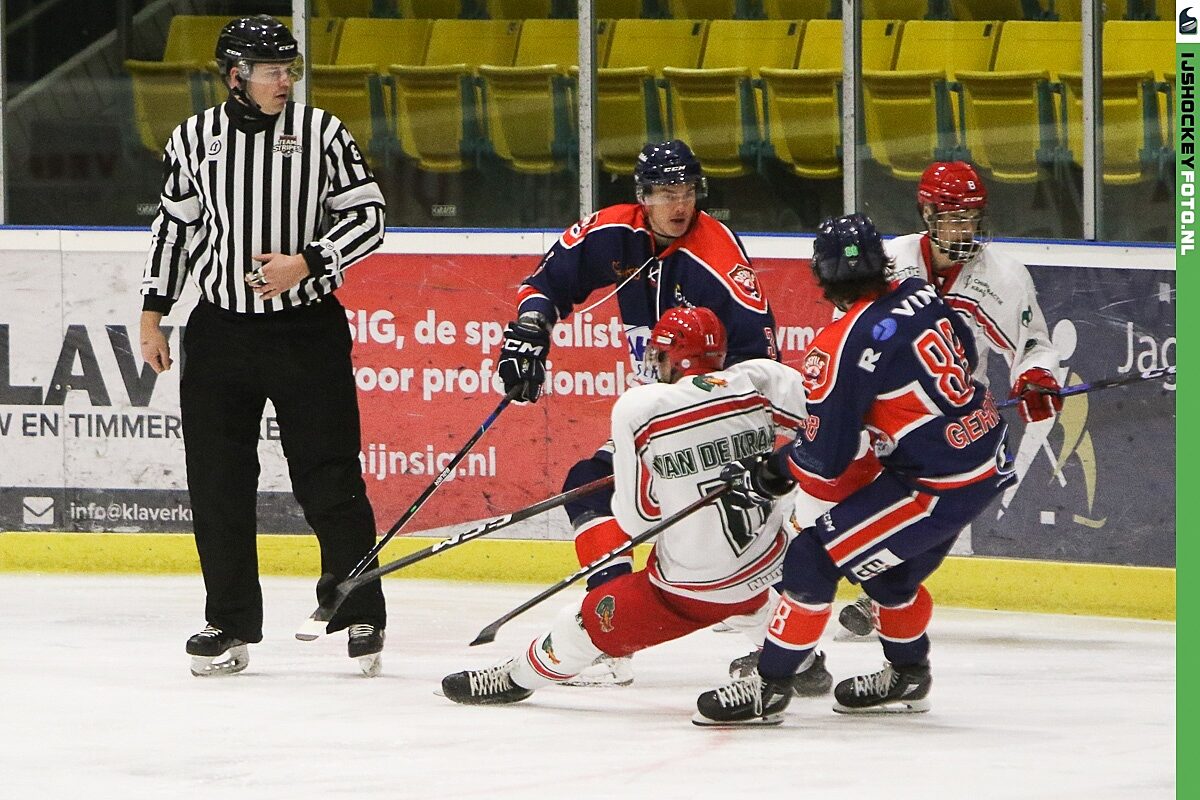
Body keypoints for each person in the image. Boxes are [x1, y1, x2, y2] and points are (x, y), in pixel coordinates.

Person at [692, 213, 1016, 726]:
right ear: (881, 261)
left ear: (822, 277)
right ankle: (909, 675)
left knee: (811, 558)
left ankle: (769, 687)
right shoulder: (922, 293)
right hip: (987, 457)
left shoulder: (842, 342)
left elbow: (826, 458)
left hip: (935, 486)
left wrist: (774, 469)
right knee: (889, 575)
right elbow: (966, 352)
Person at [138, 15, 387, 678]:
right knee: (217, 482)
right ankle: (229, 621)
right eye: (273, 70)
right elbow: (174, 230)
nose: (285, 81)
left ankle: (360, 610)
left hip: (306, 330)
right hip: (220, 333)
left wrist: (307, 261)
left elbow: (370, 217)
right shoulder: (194, 138)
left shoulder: (322, 132)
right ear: (236, 76)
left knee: (329, 477)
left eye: (290, 69)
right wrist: (153, 314)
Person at [441, 307, 832, 706]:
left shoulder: (644, 407)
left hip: (691, 589)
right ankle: (801, 662)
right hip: (766, 565)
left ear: (675, 358)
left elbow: (637, 518)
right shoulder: (761, 381)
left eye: (659, 355)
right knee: (746, 597)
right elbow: (826, 429)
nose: (654, 364)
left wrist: (674, 483)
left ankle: (515, 677)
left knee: (581, 623)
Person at [497, 140, 779, 685]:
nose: (680, 204)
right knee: (593, 489)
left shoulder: (718, 261)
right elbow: (547, 282)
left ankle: (617, 637)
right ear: (643, 196)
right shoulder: (616, 233)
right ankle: (785, 652)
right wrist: (530, 330)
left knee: (707, 541)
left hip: (710, 421)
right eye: (667, 193)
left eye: (688, 191)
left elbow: (763, 365)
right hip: (659, 414)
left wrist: (733, 434)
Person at [836, 161, 1064, 639]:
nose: (965, 230)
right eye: (954, 219)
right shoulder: (890, 259)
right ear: (927, 215)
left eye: (972, 218)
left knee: (938, 511)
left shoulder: (1003, 277)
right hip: (883, 411)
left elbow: (1032, 346)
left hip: (949, 423)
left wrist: (1036, 378)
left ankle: (880, 597)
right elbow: (848, 327)